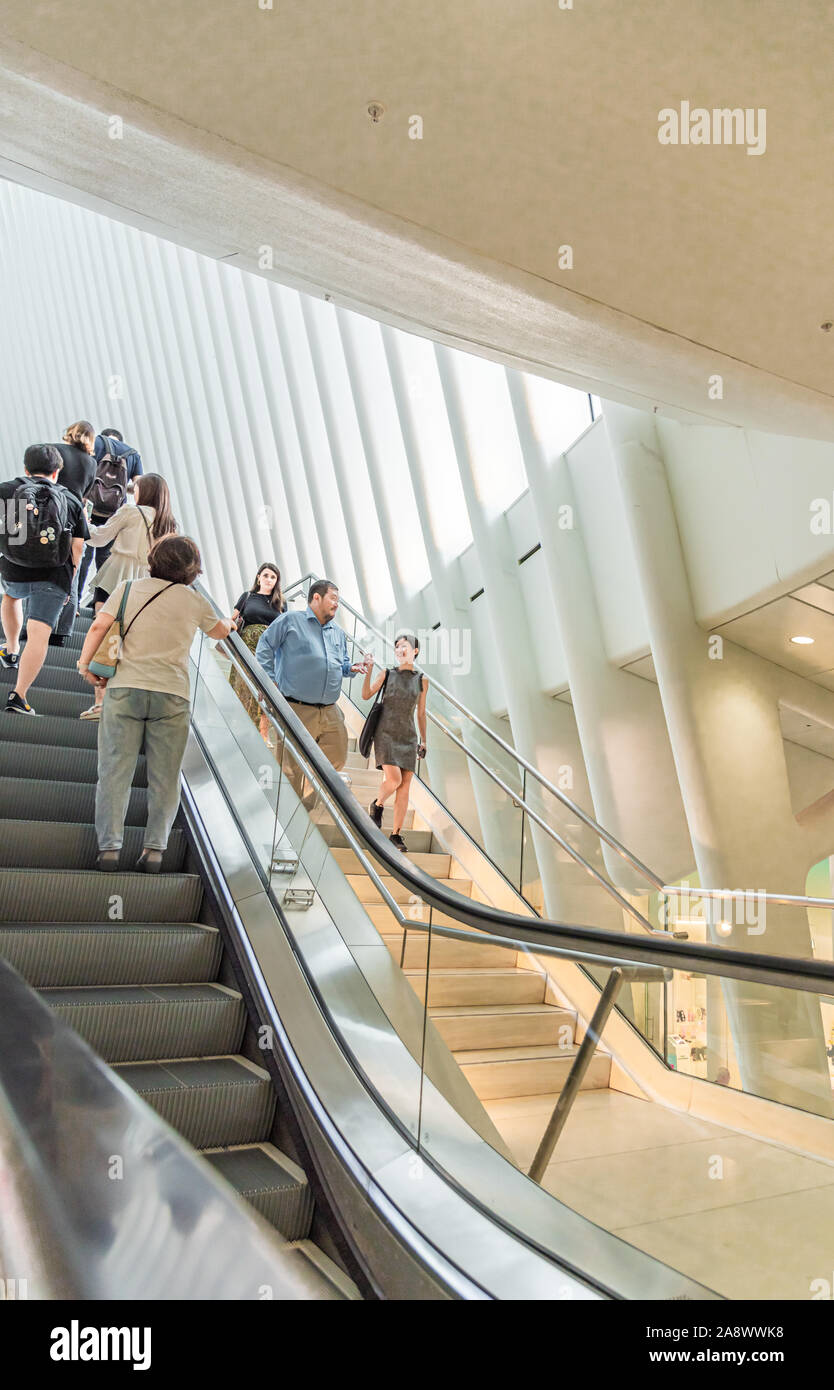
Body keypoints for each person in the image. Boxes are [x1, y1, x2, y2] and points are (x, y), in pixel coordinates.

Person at [76, 535, 232, 872]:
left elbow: (99, 624)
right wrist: (231, 622)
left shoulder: (129, 589)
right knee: (165, 776)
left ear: (154, 559)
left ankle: (110, 849)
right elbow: (220, 632)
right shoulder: (194, 601)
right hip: (173, 695)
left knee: (115, 771)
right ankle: (154, 851)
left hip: (125, 689)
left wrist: (85, 663)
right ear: (192, 569)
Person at [255, 578, 364, 803]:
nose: (337, 604)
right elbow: (264, 647)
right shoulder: (290, 620)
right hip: (296, 707)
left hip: (330, 711)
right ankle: (287, 814)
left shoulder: (338, 633)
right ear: (316, 597)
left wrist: (351, 667)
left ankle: (307, 802)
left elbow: (341, 664)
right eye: (333, 598)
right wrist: (269, 681)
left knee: (337, 756)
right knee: (291, 768)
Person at [79, 474, 178, 720]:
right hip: (147, 584)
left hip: (116, 575)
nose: (133, 491)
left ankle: (100, 703)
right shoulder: (170, 524)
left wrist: (82, 517)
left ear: (145, 492)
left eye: (137, 488)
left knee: (104, 636)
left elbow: (98, 537)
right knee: (131, 643)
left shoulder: (131, 512)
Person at [0, 444, 89, 714]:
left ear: (26, 468)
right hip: (54, 573)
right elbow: (78, 548)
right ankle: (19, 695)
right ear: (57, 471)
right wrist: (70, 583)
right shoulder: (72, 500)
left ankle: (11, 647)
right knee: (39, 634)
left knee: (11, 596)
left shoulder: (6, 489)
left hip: (14, 566)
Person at [362, 634, 428, 852]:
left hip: (408, 737)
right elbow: (365, 695)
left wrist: (424, 741)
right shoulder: (387, 674)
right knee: (394, 780)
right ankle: (377, 804)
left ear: (415, 651)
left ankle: (396, 835)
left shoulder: (422, 680)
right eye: (397, 647)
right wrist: (369, 670)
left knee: (405, 787)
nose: (400, 650)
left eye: (405, 647)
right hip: (386, 734)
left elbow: (420, 713)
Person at [76, 427, 144, 604]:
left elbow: (82, 472)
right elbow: (139, 486)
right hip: (114, 514)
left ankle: (74, 601)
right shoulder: (133, 455)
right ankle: (102, 605)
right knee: (106, 560)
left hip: (88, 508)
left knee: (84, 556)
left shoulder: (97, 443)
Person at [48, 420, 98, 646]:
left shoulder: (56, 450)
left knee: (42, 568)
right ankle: (62, 633)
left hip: (52, 513)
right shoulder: (91, 463)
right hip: (75, 517)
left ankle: (34, 625)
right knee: (72, 572)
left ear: (70, 432)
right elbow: (85, 494)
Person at [230, 562, 285, 732]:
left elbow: (284, 628)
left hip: (270, 651)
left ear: (277, 581)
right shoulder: (247, 597)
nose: (269, 579)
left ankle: (263, 733)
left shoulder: (281, 603)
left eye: (273, 577)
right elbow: (232, 620)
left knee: (266, 688)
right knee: (244, 685)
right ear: (258, 577)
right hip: (247, 647)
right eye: (266, 575)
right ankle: (239, 726)